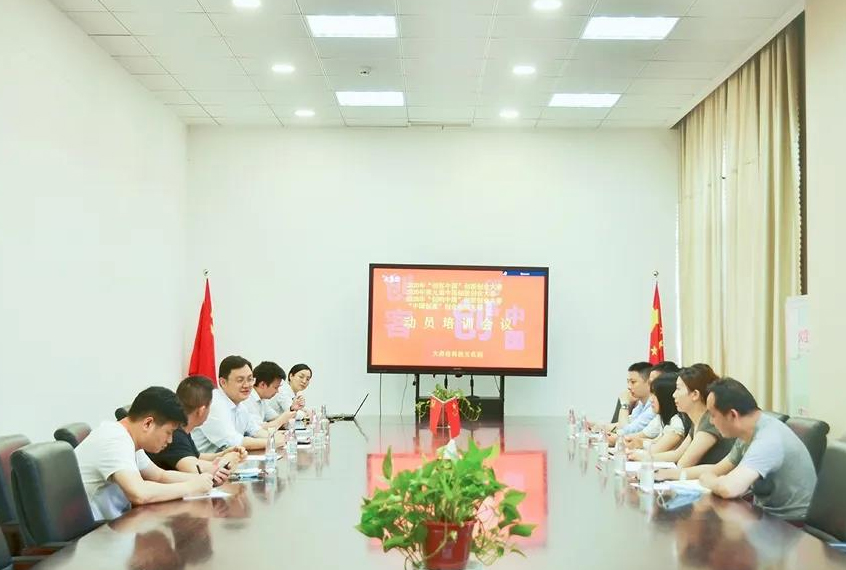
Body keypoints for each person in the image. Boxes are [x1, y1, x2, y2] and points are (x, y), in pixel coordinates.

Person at [75, 386, 213, 521]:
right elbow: (139, 494)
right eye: (168, 432)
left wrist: (201, 480)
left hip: (116, 523)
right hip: (93, 531)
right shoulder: (115, 439)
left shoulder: (128, 437)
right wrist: (191, 487)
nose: (170, 440)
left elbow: (160, 476)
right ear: (148, 424)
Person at [696, 378, 817, 520]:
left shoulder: (769, 438)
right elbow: (719, 470)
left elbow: (728, 488)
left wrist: (709, 480)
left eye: (713, 415)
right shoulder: (746, 433)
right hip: (764, 515)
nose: (711, 421)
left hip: (789, 524)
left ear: (733, 415)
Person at [147, 376, 246, 476]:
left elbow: (195, 457)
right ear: (201, 411)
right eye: (209, 406)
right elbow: (195, 469)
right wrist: (226, 461)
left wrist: (223, 454)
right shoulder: (174, 433)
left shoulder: (183, 428)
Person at [648, 364, 734, 475]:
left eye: (678, 389)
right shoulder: (698, 420)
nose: (674, 395)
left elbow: (684, 463)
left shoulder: (710, 421)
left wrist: (661, 473)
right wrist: (644, 457)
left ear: (695, 394)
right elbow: (677, 454)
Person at [191, 355, 281, 453]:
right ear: (223, 382)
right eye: (240, 380)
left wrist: (278, 437)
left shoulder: (240, 405)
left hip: (227, 459)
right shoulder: (213, 403)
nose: (247, 385)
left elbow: (255, 431)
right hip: (203, 461)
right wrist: (272, 441)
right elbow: (234, 442)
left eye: (250, 379)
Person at [625, 371, 690, 453]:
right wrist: (636, 441)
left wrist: (639, 444)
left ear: (665, 397)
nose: (651, 400)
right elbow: (655, 441)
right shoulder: (662, 418)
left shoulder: (677, 423)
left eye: (655, 395)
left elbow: (655, 450)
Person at [605, 362, 655, 442]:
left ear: (649, 382)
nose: (629, 387)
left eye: (633, 382)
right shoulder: (641, 404)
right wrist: (597, 426)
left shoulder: (653, 407)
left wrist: (624, 405)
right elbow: (625, 424)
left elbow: (626, 431)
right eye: (628, 382)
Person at [243, 361, 297, 429]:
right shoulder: (247, 400)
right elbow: (257, 428)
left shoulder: (262, 400)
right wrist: (283, 419)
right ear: (262, 385)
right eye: (275, 387)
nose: (277, 391)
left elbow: (275, 418)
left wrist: (287, 416)